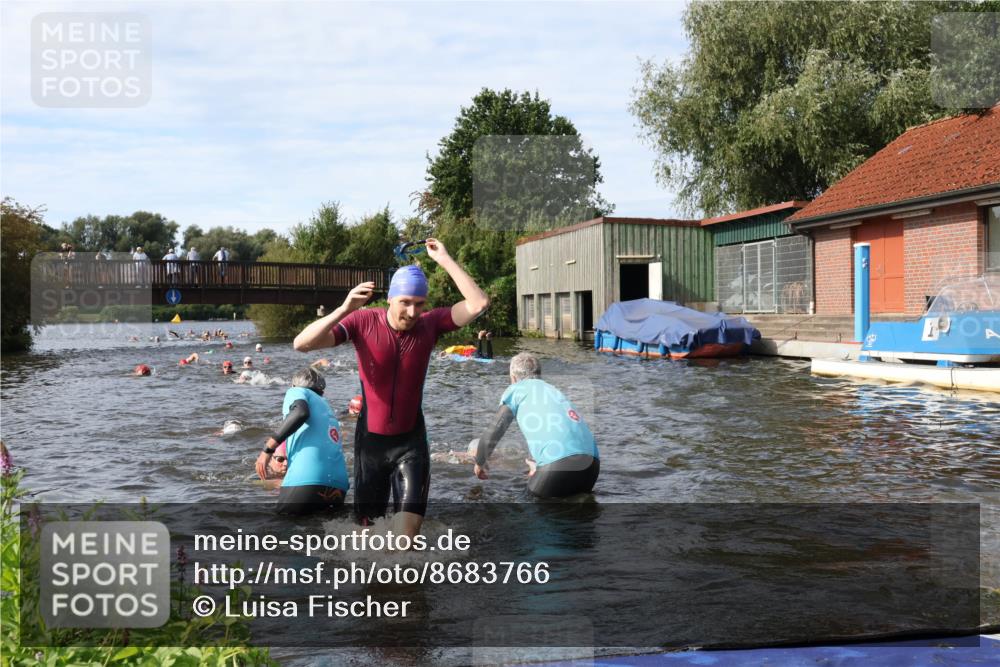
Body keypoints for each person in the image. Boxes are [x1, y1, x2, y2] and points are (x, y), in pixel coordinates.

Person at [292, 238, 488, 537]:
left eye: (419, 304)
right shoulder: (362, 321)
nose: (412, 311)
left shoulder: (432, 324)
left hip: (411, 443)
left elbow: (478, 304)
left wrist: (445, 260)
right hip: (370, 445)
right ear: (390, 300)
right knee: (366, 535)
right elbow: (302, 344)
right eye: (405, 302)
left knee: (405, 540)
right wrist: (344, 308)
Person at [470, 352, 599, 498]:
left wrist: (479, 463)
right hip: (592, 465)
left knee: (528, 507)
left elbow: (494, 431)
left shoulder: (516, 390)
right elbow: (554, 432)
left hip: (558, 464)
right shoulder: (553, 390)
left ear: (513, 377)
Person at [255, 368, 349, 515]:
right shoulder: (327, 408)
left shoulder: (298, 391)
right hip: (339, 485)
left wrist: (268, 450)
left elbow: (300, 412)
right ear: (322, 391)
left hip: (307, 479)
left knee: (283, 527)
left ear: (293, 385)